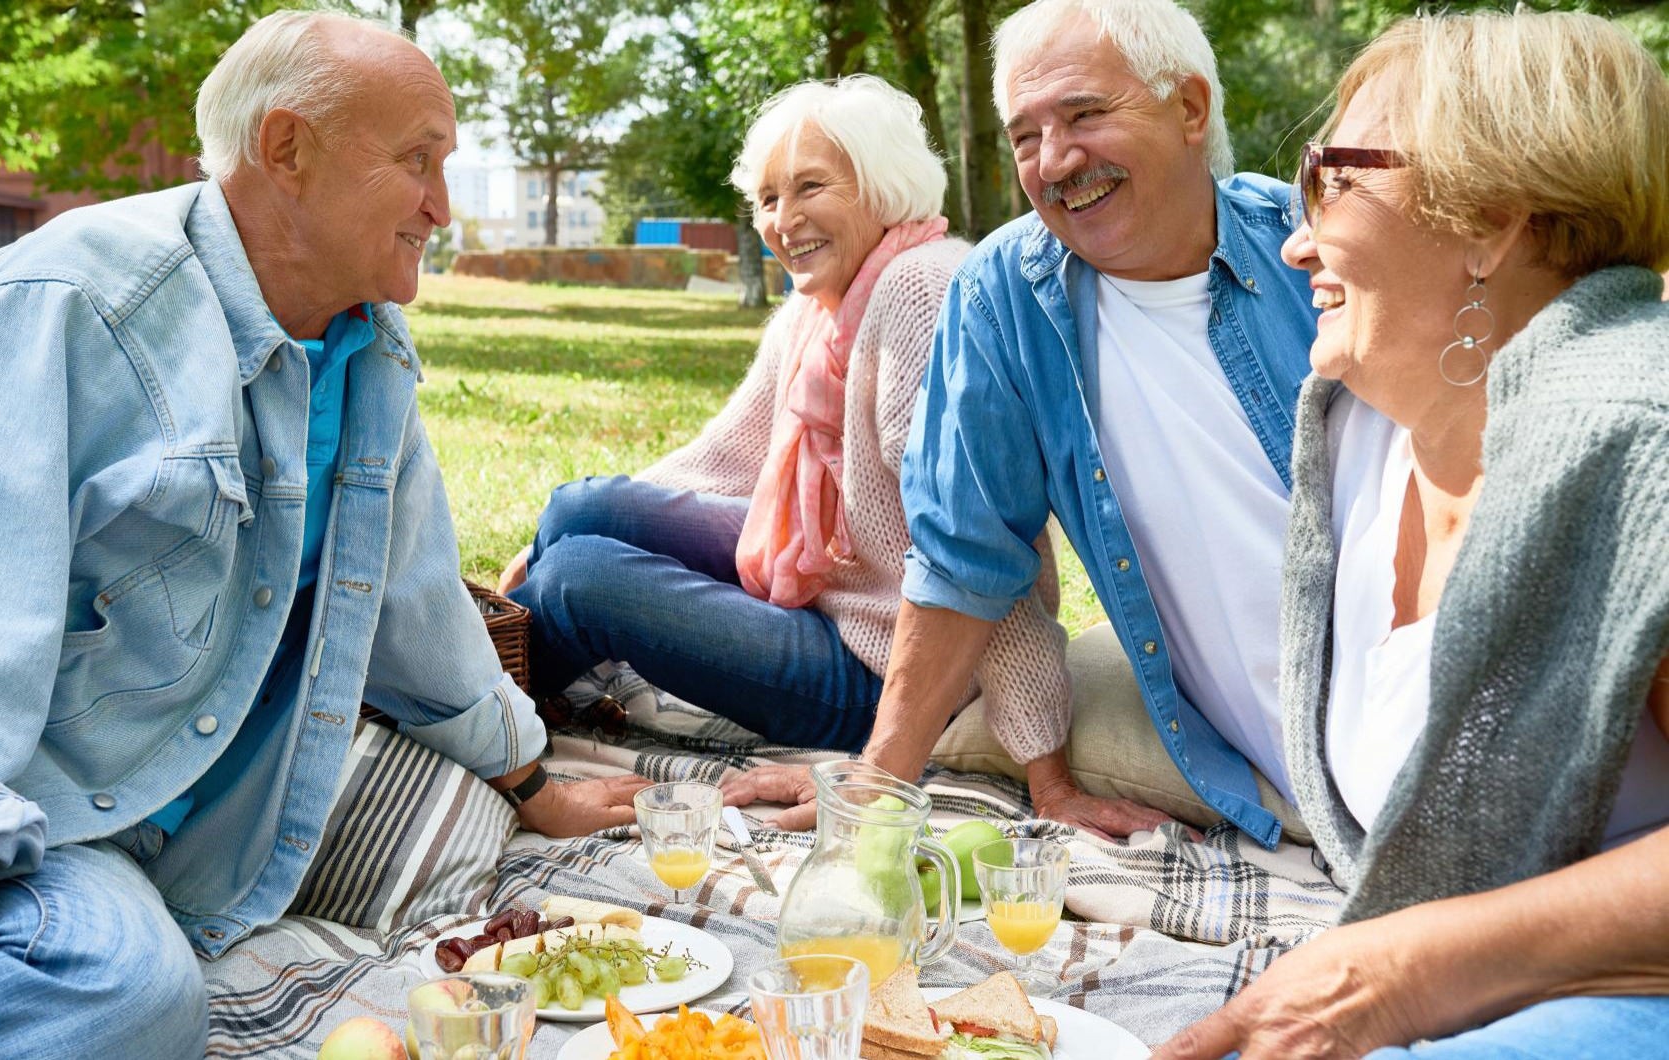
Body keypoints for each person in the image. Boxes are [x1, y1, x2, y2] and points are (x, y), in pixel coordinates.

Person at [0, 13, 644, 1058]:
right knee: (124, 997)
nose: (441, 207)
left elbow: (416, 608)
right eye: (418, 161)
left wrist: (533, 782)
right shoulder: (67, 302)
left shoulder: (368, 350)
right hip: (26, 818)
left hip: (186, 850)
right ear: (288, 149)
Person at [1157, 11, 1669, 1058]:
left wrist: (1400, 971)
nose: (1296, 238)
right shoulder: (1357, 441)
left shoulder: (1638, 443)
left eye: (1330, 178)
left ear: (1489, 219)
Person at [728, 0, 1319, 840]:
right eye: (1026, 135)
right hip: (1307, 748)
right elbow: (966, 558)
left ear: (1189, 108)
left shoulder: (1316, 244)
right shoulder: (1006, 295)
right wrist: (877, 783)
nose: (1057, 160)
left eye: (1084, 115)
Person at [500, 76, 1072, 756]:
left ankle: (476, 713)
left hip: (887, 673)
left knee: (577, 581)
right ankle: (510, 672)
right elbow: (726, 459)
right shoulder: (820, 306)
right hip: (833, 577)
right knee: (577, 511)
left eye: (810, 189)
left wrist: (1041, 751)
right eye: (769, 198)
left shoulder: (923, 291)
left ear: (881, 184)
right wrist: (550, 536)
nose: (781, 220)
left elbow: (976, 546)